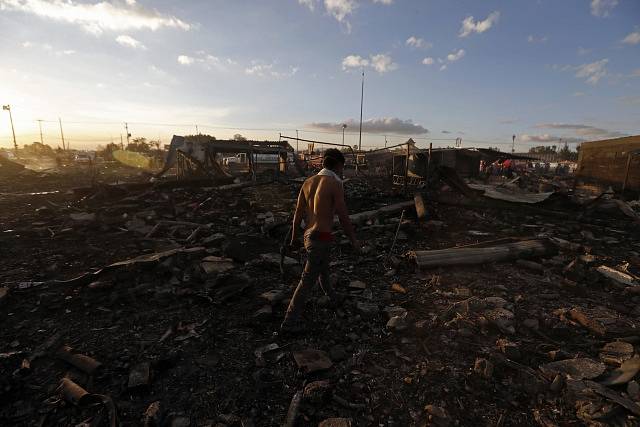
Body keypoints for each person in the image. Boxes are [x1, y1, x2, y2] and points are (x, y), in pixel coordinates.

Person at [281, 148, 360, 333]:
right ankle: (288, 323)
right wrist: (354, 241)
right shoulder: (335, 183)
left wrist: (293, 239)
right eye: (342, 167)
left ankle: (333, 297)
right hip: (322, 237)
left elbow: (297, 215)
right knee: (307, 280)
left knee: (322, 269)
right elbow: (343, 216)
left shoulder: (308, 182)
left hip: (309, 236)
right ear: (339, 165)